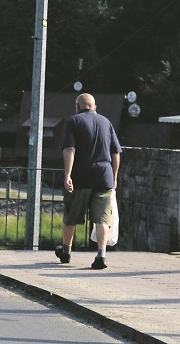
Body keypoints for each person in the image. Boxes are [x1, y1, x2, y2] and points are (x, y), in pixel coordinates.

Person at [54, 92, 121, 269]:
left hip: (81, 177)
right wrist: (114, 177)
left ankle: (66, 251)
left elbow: (69, 149)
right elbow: (116, 153)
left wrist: (67, 174)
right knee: (102, 219)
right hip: (104, 177)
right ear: (94, 107)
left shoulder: (73, 121)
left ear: (77, 107)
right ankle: (101, 255)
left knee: (71, 215)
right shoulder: (107, 122)